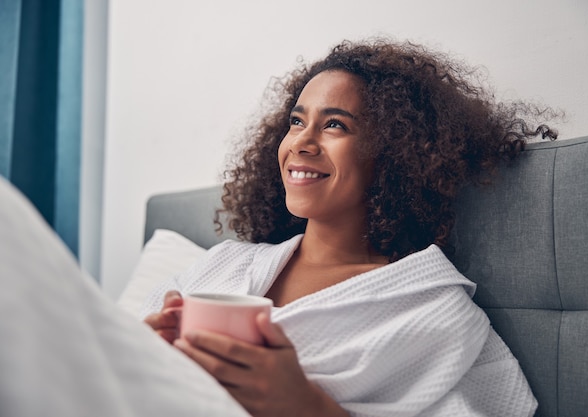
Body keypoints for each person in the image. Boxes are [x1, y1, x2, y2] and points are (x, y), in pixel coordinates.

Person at [142, 39, 557, 417]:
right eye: (297, 121)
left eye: (335, 124)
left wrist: (306, 405)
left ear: (394, 153)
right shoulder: (225, 263)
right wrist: (149, 350)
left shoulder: (428, 309)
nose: (301, 143)